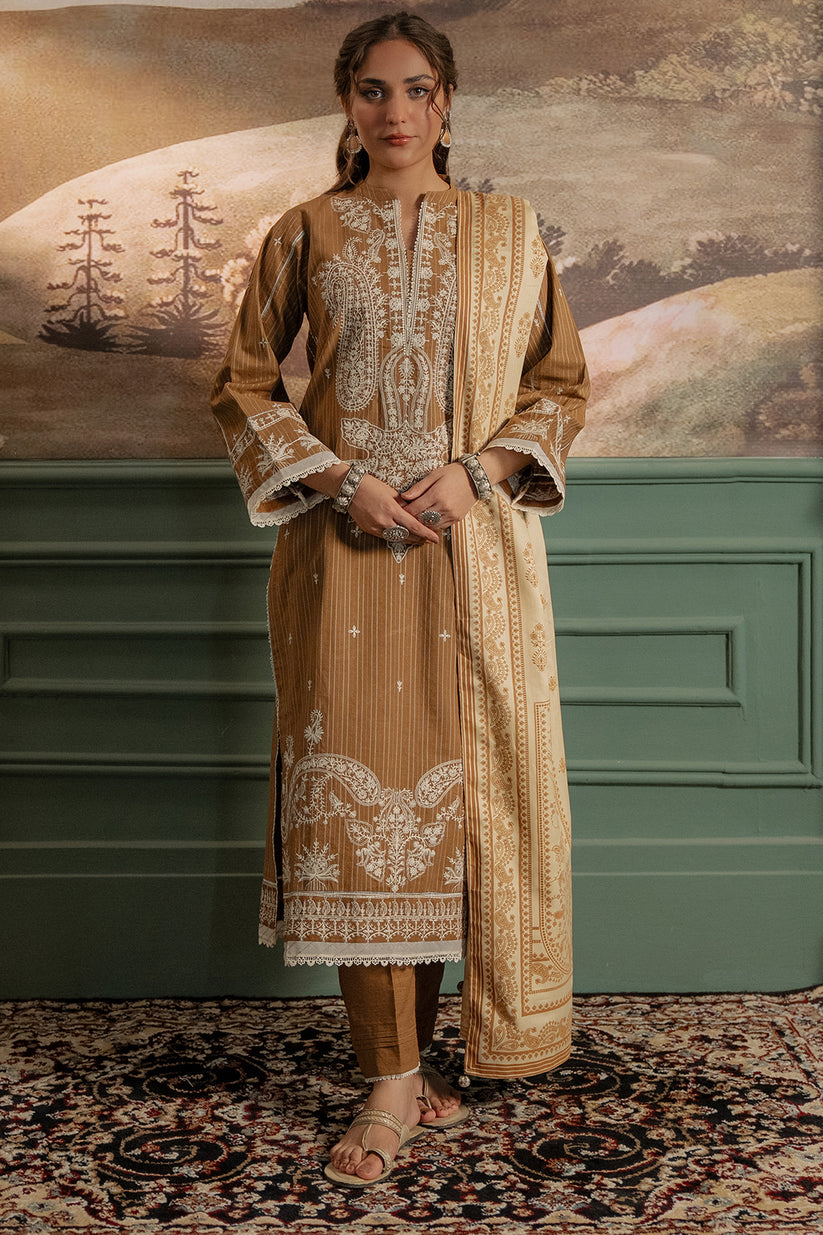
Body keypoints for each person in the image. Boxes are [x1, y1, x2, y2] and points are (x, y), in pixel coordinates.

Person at [211, 10, 590, 1187]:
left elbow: (560, 381)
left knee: (472, 809)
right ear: (346, 103)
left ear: (445, 104)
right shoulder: (306, 233)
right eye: (371, 90)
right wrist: (338, 479)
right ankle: (388, 1073)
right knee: (363, 815)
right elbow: (241, 387)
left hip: (473, 559)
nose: (393, 111)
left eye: (415, 89)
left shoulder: (510, 232)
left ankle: (452, 1049)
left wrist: (479, 475)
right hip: (350, 559)